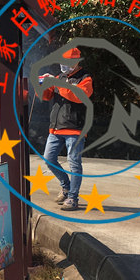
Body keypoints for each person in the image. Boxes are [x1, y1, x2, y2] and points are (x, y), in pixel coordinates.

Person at [37, 47, 93, 211]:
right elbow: (45, 96)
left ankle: (73, 197)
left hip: (75, 128)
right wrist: (43, 83)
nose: (64, 65)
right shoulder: (59, 77)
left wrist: (58, 84)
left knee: (74, 163)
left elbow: (77, 96)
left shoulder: (85, 78)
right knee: (49, 159)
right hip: (55, 128)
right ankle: (66, 187)